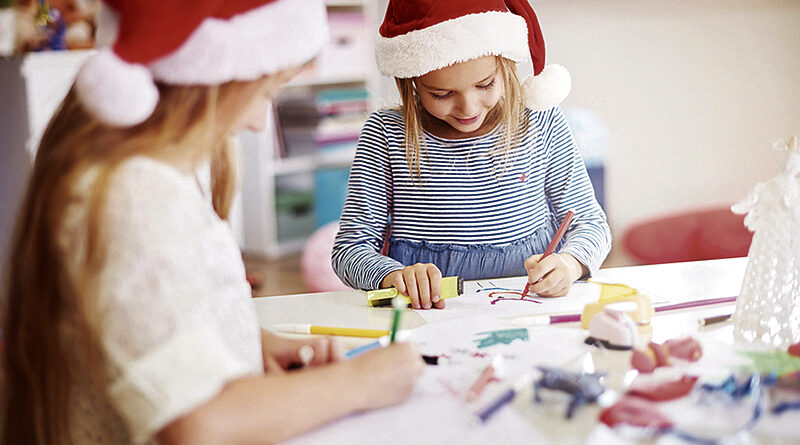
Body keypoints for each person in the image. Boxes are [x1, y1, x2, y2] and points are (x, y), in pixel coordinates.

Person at [0, 1, 423, 444]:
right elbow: (196, 423)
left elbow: (155, 319)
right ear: (206, 78)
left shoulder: (143, 172)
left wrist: (252, 345)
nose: (261, 123)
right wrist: (357, 385)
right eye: (264, 94)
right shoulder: (136, 196)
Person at [332, 0, 611, 310]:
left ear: (506, 65)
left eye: (485, 84)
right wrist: (393, 276)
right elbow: (350, 249)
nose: (468, 107)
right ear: (410, 80)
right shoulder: (386, 134)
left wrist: (570, 265)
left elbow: (590, 223)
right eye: (441, 94)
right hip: (431, 317)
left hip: (529, 311)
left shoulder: (541, 120)